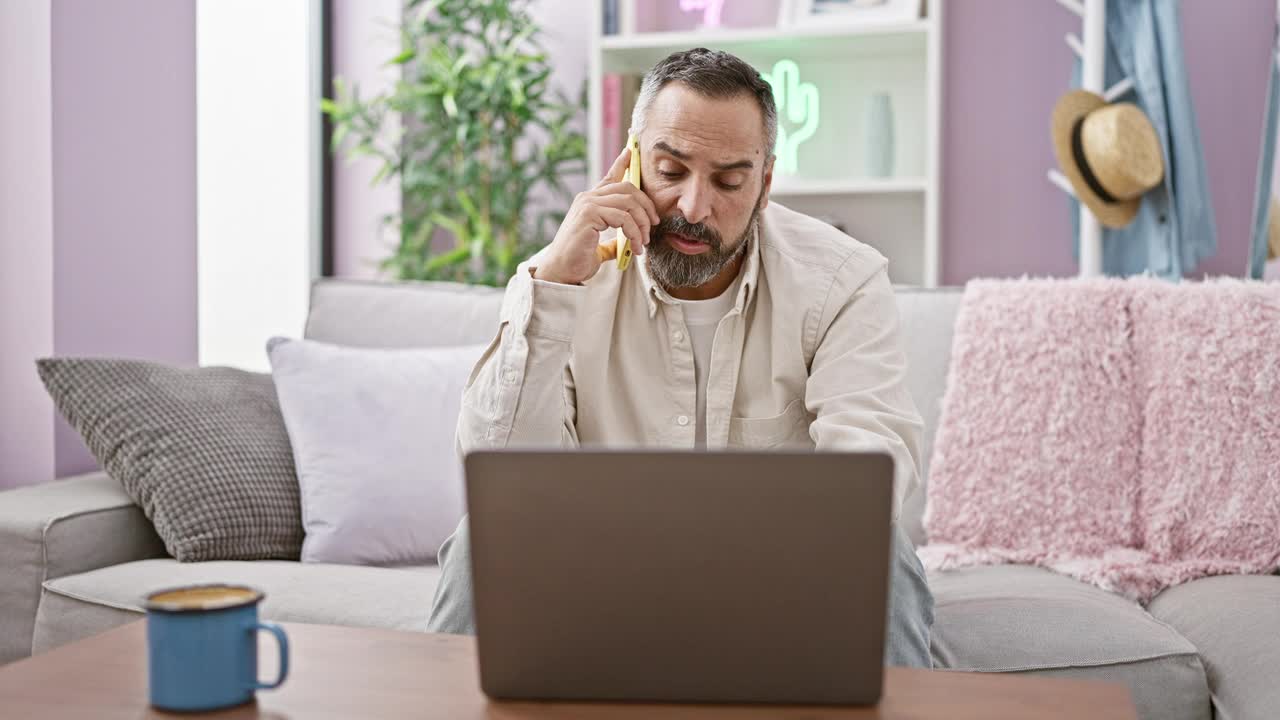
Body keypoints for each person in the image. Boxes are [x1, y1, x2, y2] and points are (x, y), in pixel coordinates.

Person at [427, 47, 934, 667]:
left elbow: (871, 472)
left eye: (728, 181)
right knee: (481, 539)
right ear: (633, 161)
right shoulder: (560, 277)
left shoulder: (842, 281)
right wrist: (555, 284)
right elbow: (498, 475)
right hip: (595, 576)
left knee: (888, 558)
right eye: (670, 172)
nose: (695, 208)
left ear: (765, 184)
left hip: (784, 579)